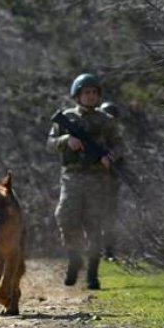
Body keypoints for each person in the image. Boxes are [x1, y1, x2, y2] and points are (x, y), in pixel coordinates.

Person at [47, 73, 123, 290]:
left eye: (94, 93)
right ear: (77, 95)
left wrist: (110, 157)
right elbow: (50, 143)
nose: (90, 96)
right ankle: (74, 257)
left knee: (94, 225)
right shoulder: (67, 118)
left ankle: (92, 273)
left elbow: (119, 145)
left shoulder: (106, 121)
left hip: (98, 179)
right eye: (86, 93)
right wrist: (66, 140)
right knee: (65, 217)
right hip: (72, 176)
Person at [99, 101, 123, 261]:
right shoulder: (95, 134)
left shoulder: (116, 137)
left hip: (110, 182)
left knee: (109, 217)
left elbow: (119, 153)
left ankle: (108, 251)